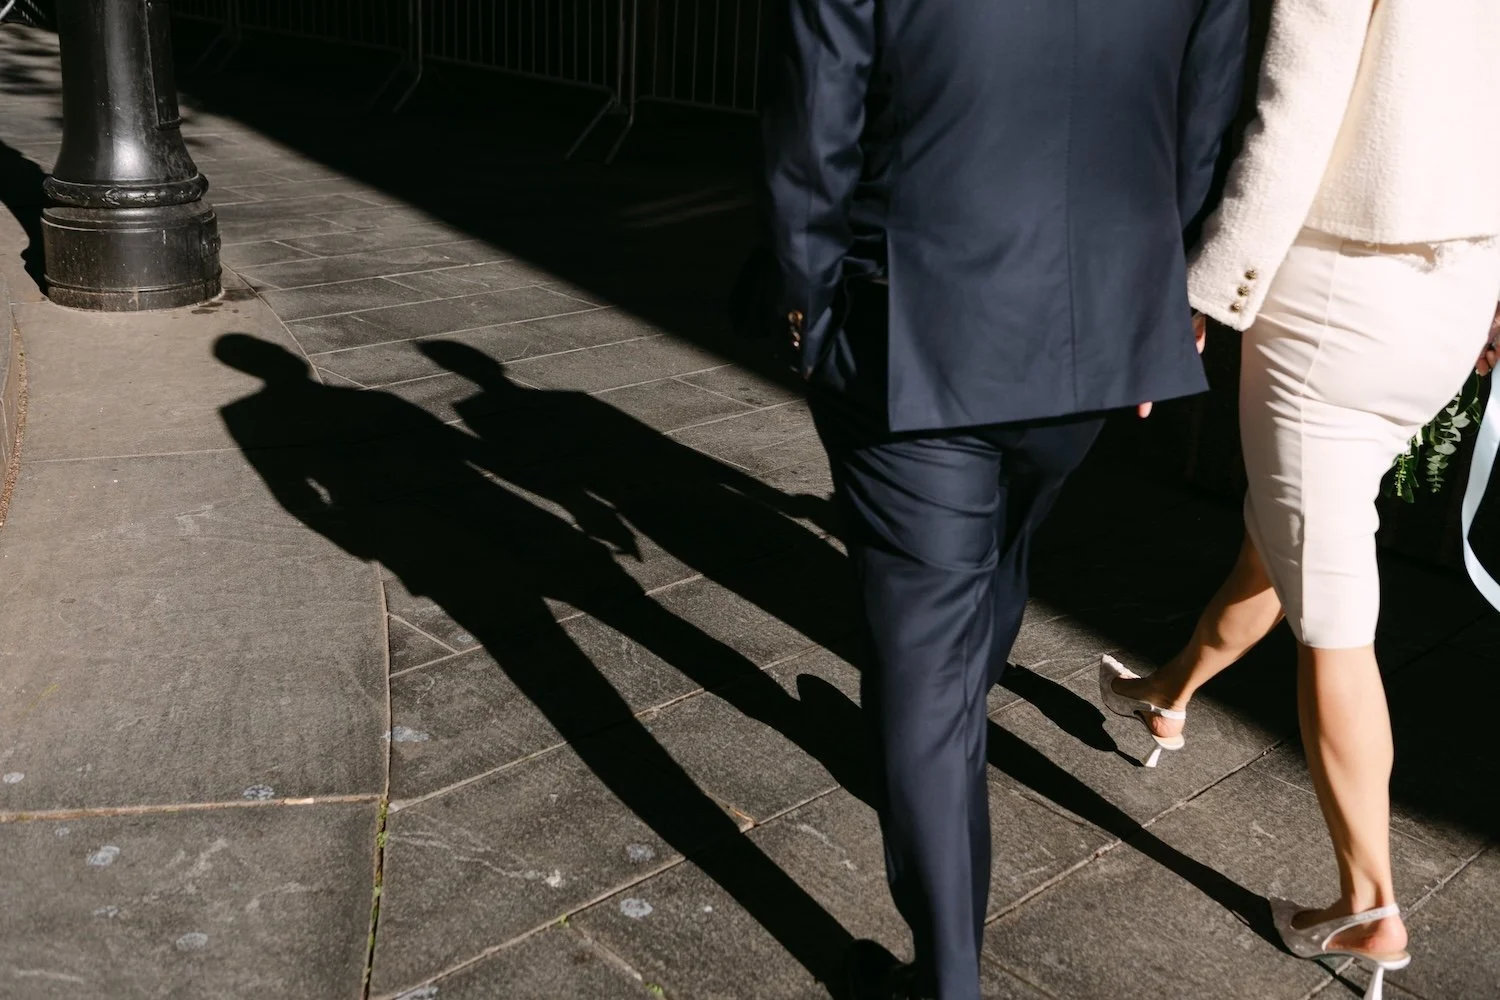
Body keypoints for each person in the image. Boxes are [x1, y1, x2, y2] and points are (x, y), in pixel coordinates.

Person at [759, 2, 1250, 997]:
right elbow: (1204, 122)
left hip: (919, 319)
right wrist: (1153, 287)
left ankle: (946, 965)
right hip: (1093, 323)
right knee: (1007, 545)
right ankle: (930, 757)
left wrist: (806, 297)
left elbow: (817, 108)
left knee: (930, 657)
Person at [1102, 3, 1500, 998]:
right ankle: (1168, 696)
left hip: (1336, 291)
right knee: (1291, 533)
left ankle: (1369, 903)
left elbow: (1298, 105)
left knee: (1332, 608)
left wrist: (1204, 287)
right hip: (1454, 288)